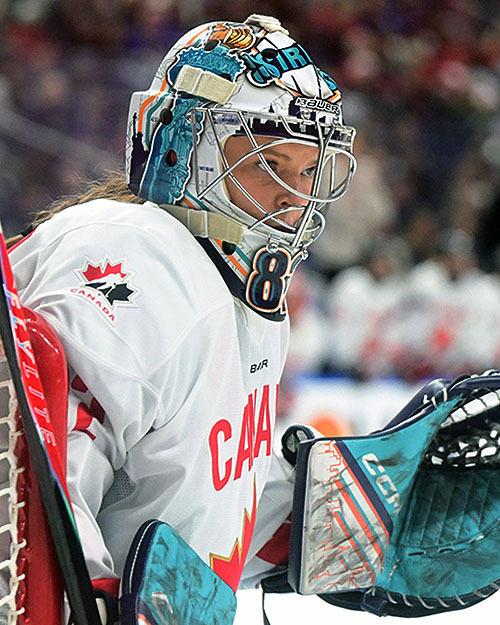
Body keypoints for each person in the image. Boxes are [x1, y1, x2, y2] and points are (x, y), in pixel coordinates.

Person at [6, 13, 356, 623]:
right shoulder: (135, 256)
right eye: (269, 164)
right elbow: (34, 510)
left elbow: (185, 511)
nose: (294, 197)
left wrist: (337, 523)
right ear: (182, 148)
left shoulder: (248, 294)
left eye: (308, 171)